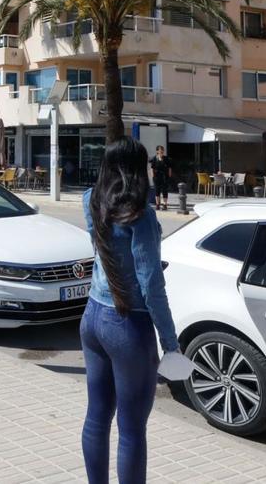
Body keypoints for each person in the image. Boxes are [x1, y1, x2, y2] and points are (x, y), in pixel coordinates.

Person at [80, 137, 178, 484]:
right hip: (127, 325)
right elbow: (151, 284)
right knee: (132, 429)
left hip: (92, 316)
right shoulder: (141, 216)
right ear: (137, 170)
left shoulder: (91, 200)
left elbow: (104, 252)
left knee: (97, 416)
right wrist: (171, 342)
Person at [149, 145, 173, 211]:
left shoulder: (166, 159)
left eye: (162, 150)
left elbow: (169, 168)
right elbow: (152, 168)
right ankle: (157, 204)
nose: (161, 151)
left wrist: (169, 175)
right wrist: (153, 175)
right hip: (157, 177)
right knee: (157, 191)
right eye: (160, 150)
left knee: (165, 191)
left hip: (164, 177)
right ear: (157, 151)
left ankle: (165, 204)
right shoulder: (154, 158)